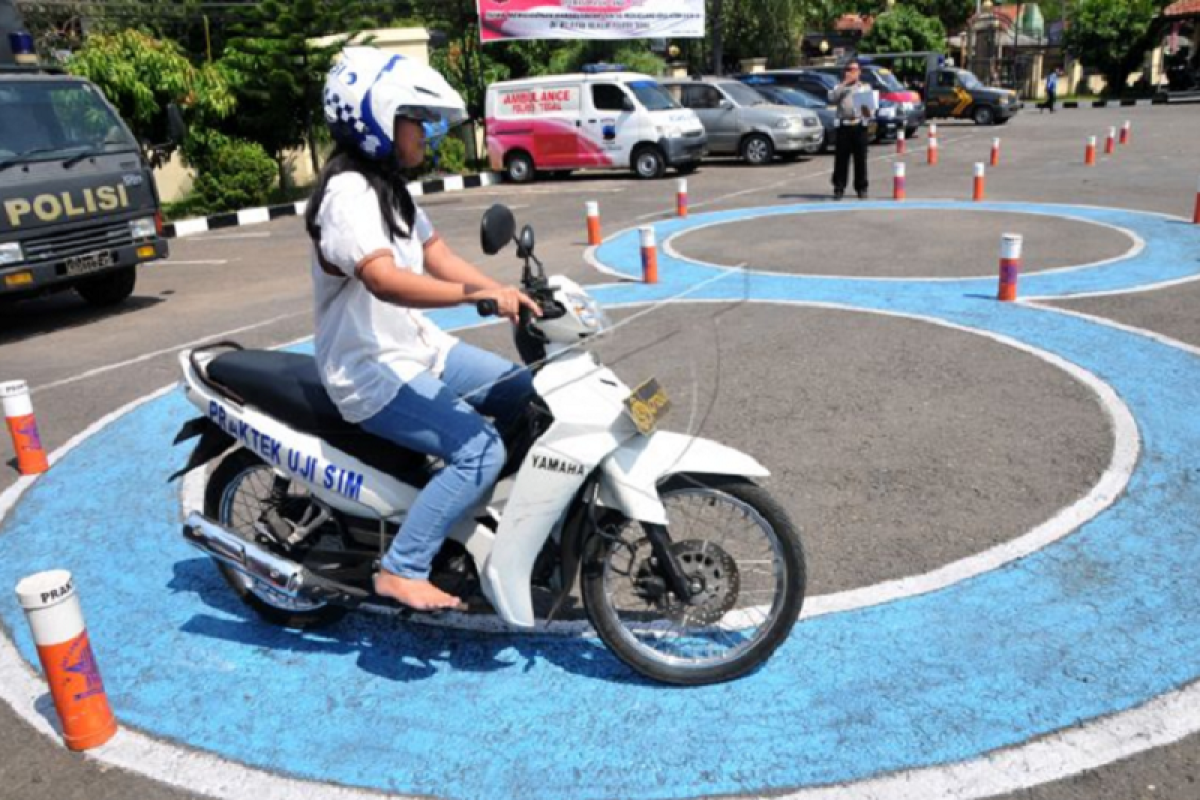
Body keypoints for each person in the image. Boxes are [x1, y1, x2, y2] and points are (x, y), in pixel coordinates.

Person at [304, 47, 540, 612]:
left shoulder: (392, 189)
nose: (426, 134)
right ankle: (403, 567)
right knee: (479, 450)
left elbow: (436, 256)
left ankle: (461, 513)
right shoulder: (347, 196)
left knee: (528, 394)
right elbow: (385, 281)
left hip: (417, 351)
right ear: (378, 123)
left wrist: (506, 292)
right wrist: (479, 295)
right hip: (370, 370)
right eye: (417, 121)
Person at [829, 61, 872, 200]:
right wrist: (844, 84)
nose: (852, 72)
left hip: (859, 125)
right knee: (841, 159)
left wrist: (867, 111)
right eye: (849, 69)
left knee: (860, 159)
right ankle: (839, 188)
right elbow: (831, 98)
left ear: (859, 72)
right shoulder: (839, 87)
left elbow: (869, 110)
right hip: (844, 126)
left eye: (854, 70)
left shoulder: (864, 87)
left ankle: (861, 188)